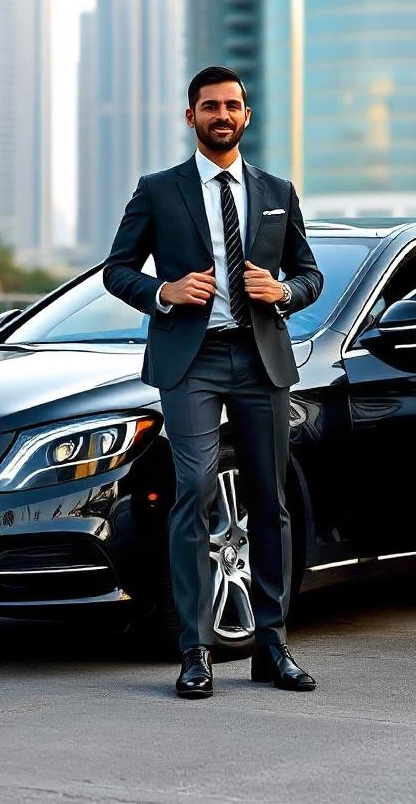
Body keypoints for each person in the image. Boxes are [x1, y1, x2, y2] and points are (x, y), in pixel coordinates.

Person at [102, 65, 324, 700]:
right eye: (209, 106)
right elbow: (117, 270)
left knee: (269, 501)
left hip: (260, 359)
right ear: (190, 116)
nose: (220, 115)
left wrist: (282, 290)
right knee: (194, 489)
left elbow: (309, 274)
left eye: (231, 106)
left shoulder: (278, 190)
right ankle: (194, 650)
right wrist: (163, 292)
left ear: (246, 116)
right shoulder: (158, 190)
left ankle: (272, 645)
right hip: (190, 359)